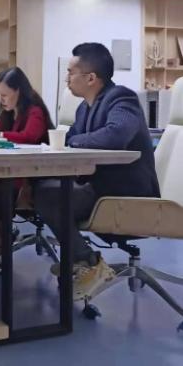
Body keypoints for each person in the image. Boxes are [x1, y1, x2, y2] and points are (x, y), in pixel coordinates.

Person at [34, 42, 160, 300]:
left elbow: (115, 135)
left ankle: (88, 262)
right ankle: (81, 260)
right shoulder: (84, 108)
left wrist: (75, 141)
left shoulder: (121, 98)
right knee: (43, 187)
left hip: (128, 192)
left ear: (91, 78)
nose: (67, 78)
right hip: (100, 185)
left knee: (49, 196)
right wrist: (70, 141)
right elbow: (70, 138)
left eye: (71, 72)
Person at [0, 67, 52, 271]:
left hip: (33, 178)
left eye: (4, 95)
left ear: (18, 91)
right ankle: (0, 245)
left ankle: (2, 246)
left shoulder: (35, 111)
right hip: (15, 173)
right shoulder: (9, 113)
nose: (1, 99)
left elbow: (29, 137)